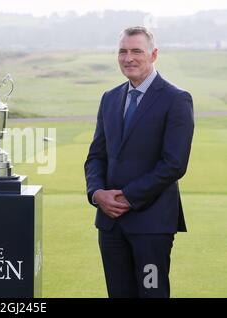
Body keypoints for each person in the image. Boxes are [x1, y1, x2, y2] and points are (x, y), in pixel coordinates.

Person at [84, 26, 194, 298]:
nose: (128, 58)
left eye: (136, 51)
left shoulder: (176, 99)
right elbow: (96, 156)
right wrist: (97, 194)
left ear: (153, 54)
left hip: (151, 225)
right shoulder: (109, 98)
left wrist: (127, 198)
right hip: (110, 225)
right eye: (122, 51)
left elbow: (174, 164)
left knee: (151, 294)